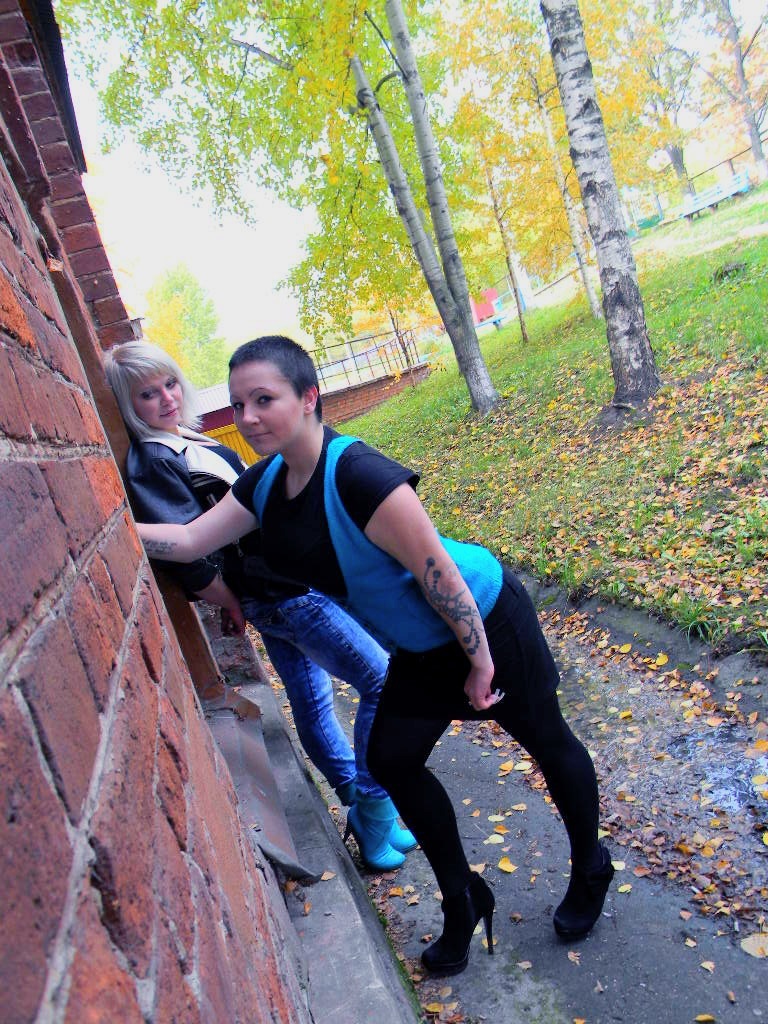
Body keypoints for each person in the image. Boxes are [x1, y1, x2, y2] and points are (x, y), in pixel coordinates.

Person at [135, 335, 614, 977]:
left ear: (309, 397)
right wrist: (114, 519)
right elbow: (193, 539)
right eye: (240, 403)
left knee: (546, 740)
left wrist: (479, 661)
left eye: (264, 399)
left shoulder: (358, 474)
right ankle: (462, 898)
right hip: (418, 645)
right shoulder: (267, 482)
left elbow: (438, 572)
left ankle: (590, 866)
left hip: (484, 619)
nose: (247, 417)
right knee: (392, 759)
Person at [104, 340, 417, 872]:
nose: (166, 398)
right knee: (381, 680)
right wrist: (233, 600)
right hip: (279, 592)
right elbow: (188, 553)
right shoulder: (153, 459)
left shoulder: (185, 440)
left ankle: (363, 810)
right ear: (127, 405)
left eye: (170, 383)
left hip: (280, 584)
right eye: (147, 394)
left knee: (312, 701)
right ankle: (373, 806)